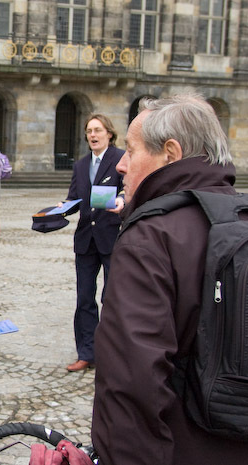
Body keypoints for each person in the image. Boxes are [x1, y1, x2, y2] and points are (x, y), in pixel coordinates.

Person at [92, 95, 248, 464]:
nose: (122, 166)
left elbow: (131, 384)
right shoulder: (241, 219)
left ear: (170, 153)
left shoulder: (150, 237)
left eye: (130, 151)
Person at [62, 114, 124, 372]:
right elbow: (74, 198)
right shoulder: (81, 165)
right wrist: (59, 209)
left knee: (112, 299)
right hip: (86, 240)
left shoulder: (121, 159)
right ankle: (86, 353)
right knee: (84, 299)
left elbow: (130, 189)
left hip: (112, 238)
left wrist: (122, 198)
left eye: (97, 130)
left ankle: (111, 355)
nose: (93, 135)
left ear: (109, 133)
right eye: (89, 131)